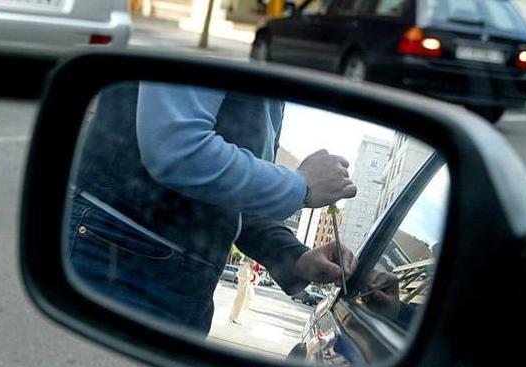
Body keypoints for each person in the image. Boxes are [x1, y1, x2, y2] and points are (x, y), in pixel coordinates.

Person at [67, 81, 357, 334]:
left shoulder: (274, 86)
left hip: (187, 284)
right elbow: (177, 149)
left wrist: (297, 258)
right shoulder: (233, 44)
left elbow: (235, 202)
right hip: (117, 251)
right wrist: (299, 186)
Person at [228, 258, 257, 325]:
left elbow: (242, 261)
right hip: (246, 275)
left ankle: (234, 316)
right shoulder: (251, 252)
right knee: (241, 298)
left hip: (244, 274)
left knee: (244, 297)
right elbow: (253, 263)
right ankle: (235, 317)